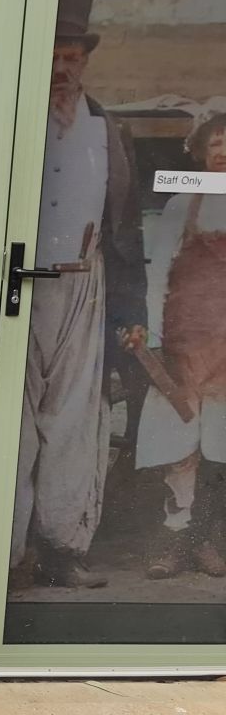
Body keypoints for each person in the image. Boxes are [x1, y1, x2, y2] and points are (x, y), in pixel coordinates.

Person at [10, 0, 148, 589]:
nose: (64, 69)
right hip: (11, 284)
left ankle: (63, 550)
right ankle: (6, 557)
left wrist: (128, 310)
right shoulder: (9, 121)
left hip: (82, 290)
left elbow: (124, 229)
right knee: (11, 425)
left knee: (72, 422)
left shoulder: (103, 127)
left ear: (85, 62)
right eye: (54, 57)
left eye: (74, 59)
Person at [134, 99, 226, 580]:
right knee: (179, 444)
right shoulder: (180, 202)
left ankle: (209, 539)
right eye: (215, 141)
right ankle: (173, 537)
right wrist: (153, 336)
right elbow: (156, 275)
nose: (223, 151)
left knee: (221, 445)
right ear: (198, 149)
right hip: (185, 345)